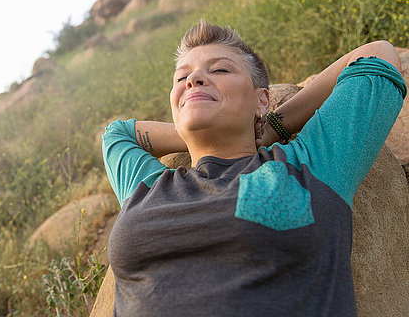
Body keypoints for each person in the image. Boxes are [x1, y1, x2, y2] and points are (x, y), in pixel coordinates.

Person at [101, 19, 406, 316]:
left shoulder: (308, 166)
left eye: (220, 69)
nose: (193, 80)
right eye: (182, 78)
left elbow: (378, 53)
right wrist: (193, 127)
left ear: (262, 100)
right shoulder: (148, 188)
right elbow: (116, 134)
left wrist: (271, 126)